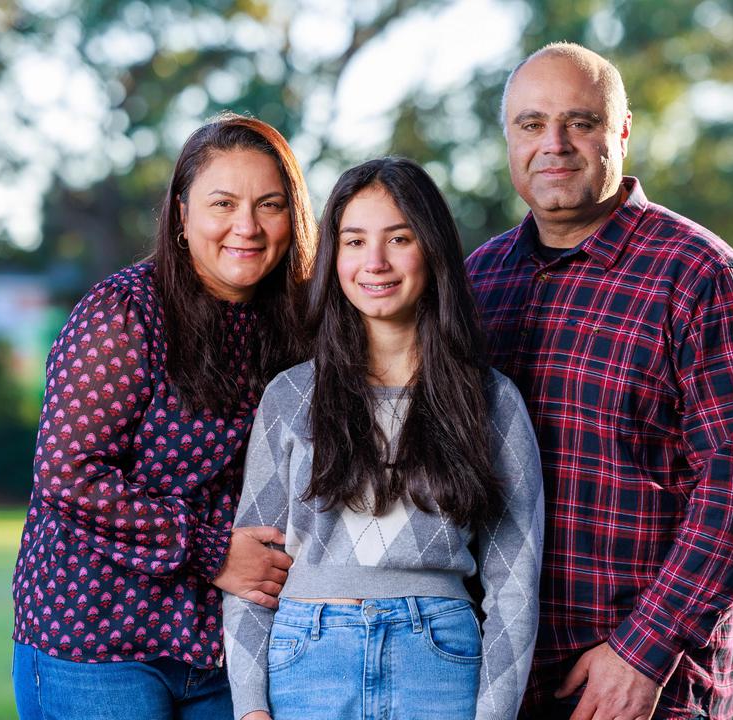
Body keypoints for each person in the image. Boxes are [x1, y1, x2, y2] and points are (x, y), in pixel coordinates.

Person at [465, 43, 733, 720]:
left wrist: (643, 651)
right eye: (531, 125)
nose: (554, 144)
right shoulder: (477, 282)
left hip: (644, 687)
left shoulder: (702, 278)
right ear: (509, 140)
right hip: (498, 681)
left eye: (579, 122)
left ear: (622, 130)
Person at [10, 113, 316, 719]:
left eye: (269, 205)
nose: (246, 227)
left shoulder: (302, 328)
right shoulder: (124, 312)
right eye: (222, 203)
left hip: (229, 645)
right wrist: (212, 552)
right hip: (96, 642)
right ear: (181, 215)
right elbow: (68, 475)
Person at [223, 157, 545, 720]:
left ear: (433, 251)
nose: (374, 262)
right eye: (354, 241)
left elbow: (515, 586)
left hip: (439, 660)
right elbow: (253, 569)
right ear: (333, 257)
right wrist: (250, 709)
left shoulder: (490, 400)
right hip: (307, 659)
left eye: (398, 238)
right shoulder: (291, 396)